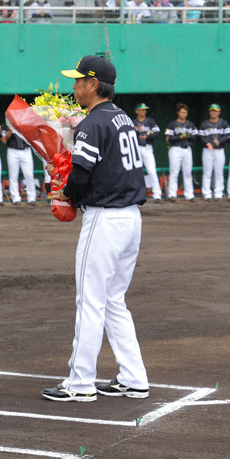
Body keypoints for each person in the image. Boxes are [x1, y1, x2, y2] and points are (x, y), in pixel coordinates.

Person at [42, 55, 149, 402]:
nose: (74, 87)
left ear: (93, 84)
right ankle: (133, 377)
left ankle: (80, 382)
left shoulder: (92, 122)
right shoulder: (122, 118)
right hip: (131, 219)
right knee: (113, 299)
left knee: (90, 300)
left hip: (106, 219)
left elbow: (83, 172)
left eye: (78, 81)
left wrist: (64, 192)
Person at [165, 103, 198, 202]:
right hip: (175, 149)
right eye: (182, 112)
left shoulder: (190, 124)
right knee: (174, 172)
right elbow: (168, 138)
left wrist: (188, 135)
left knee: (188, 172)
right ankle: (172, 194)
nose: (184, 114)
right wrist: (180, 136)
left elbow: (195, 136)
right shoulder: (172, 124)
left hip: (187, 149)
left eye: (185, 112)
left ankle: (189, 195)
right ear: (178, 113)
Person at [199, 104, 229, 201]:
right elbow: (201, 136)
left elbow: (227, 135)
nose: (214, 112)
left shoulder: (224, 123)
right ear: (209, 112)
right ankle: (207, 194)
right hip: (208, 150)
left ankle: (218, 194)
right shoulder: (204, 124)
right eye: (212, 110)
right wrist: (207, 143)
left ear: (219, 112)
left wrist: (219, 142)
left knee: (219, 173)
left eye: (215, 111)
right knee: (207, 172)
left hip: (219, 150)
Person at [133, 103, 162, 202]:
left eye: (145, 110)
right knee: (136, 172)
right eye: (141, 110)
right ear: (136, 111)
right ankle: (137, 194)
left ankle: (157, 195)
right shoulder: (133, 122)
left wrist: (147, 135)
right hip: (136, 148)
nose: (144, 111)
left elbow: (157, 131)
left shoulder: (150, 121)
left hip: (147, 147)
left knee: (152, 171)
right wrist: (137, 132)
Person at [1, 124, 36, 205]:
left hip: (26, 150)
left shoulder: (25, 124)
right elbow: (4, 140)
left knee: (29, 174)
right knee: (13, 176)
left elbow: (32, 137)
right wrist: (10, 130)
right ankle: (15, 198)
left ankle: (31, 197)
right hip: (13, 150)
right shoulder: (7, 125)